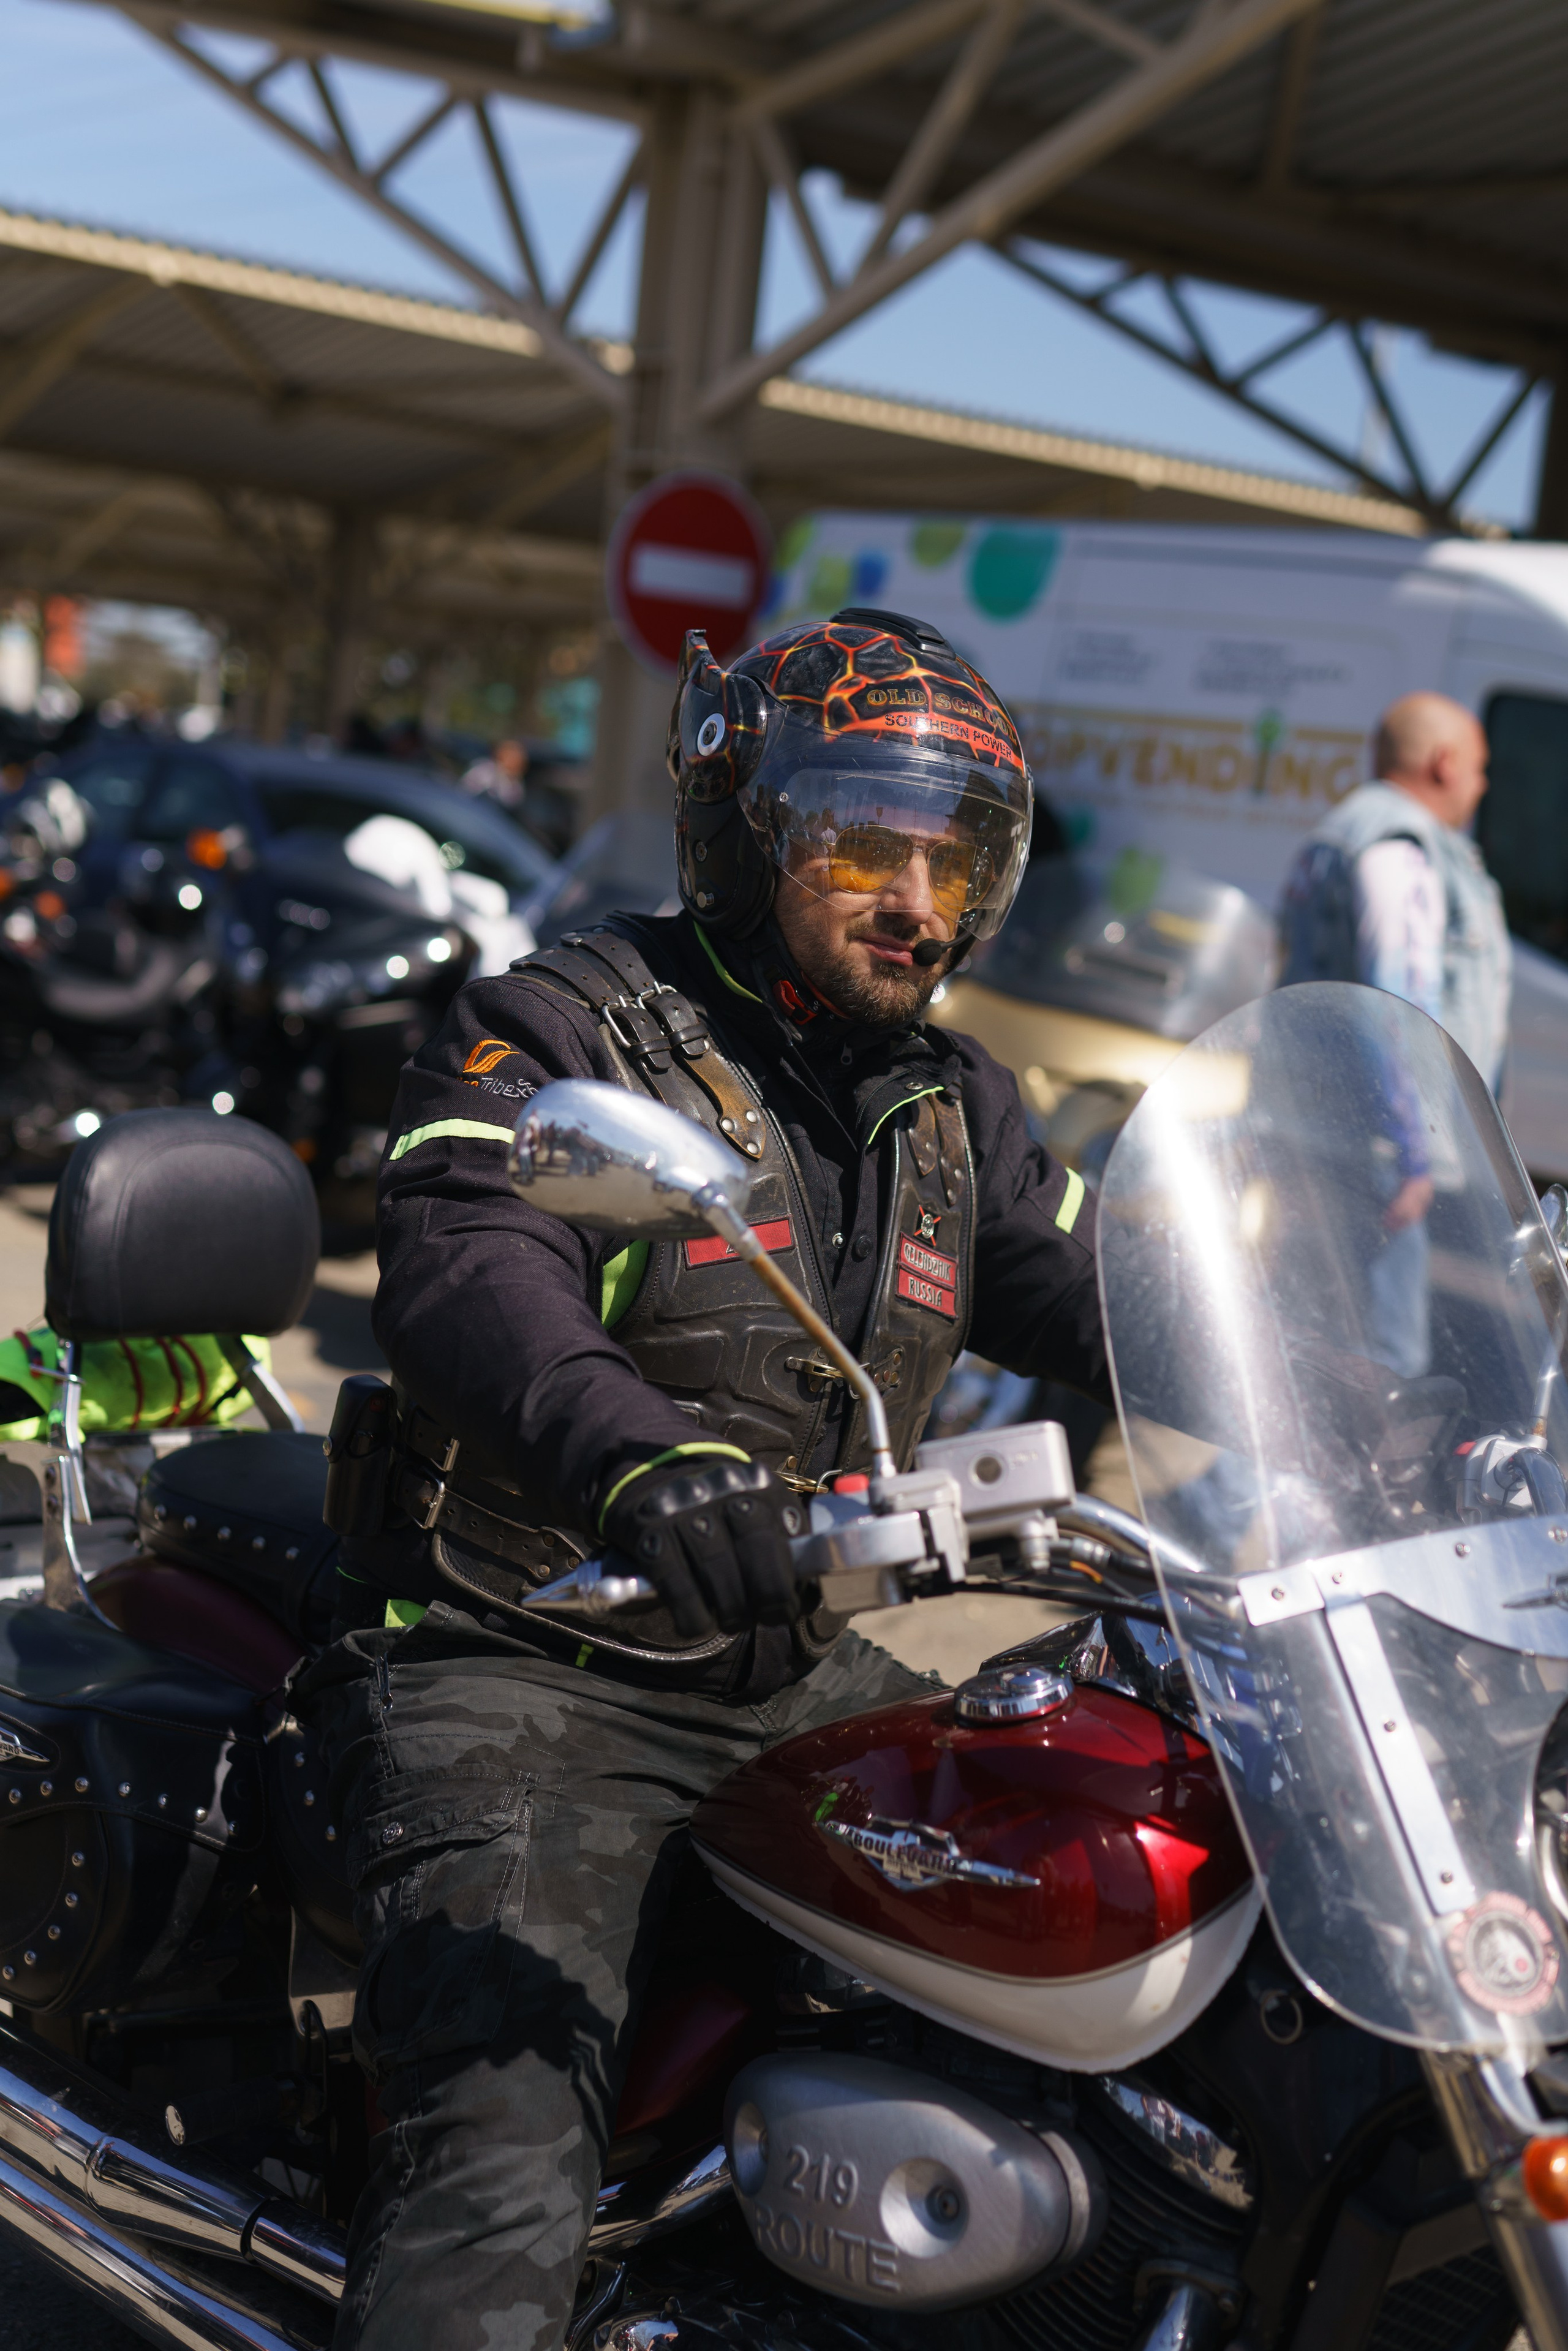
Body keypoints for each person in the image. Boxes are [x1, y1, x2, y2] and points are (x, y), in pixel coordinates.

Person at [300, 606, 1109, 2351]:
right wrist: (641, 1460)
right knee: (504, 2154)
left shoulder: (954, 1100)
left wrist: (1397, 1389)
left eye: (951, 856)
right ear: (749, 829)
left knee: (1103, 1934)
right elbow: (467, 1263)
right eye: (863, 845)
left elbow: (1117, 1297)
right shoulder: (563, 1026)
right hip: (530, 1659)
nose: (918, 897)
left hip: (799, 1662)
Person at [1278, 690, 1510, 1093]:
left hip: (1315, 1113)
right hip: (1375, 1143)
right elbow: (1403, 1018)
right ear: (1445, 764)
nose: (1483, 786)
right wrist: (1423, 1148)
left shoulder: (1341, 829)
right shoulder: (1400, 847)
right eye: (1479, 768)